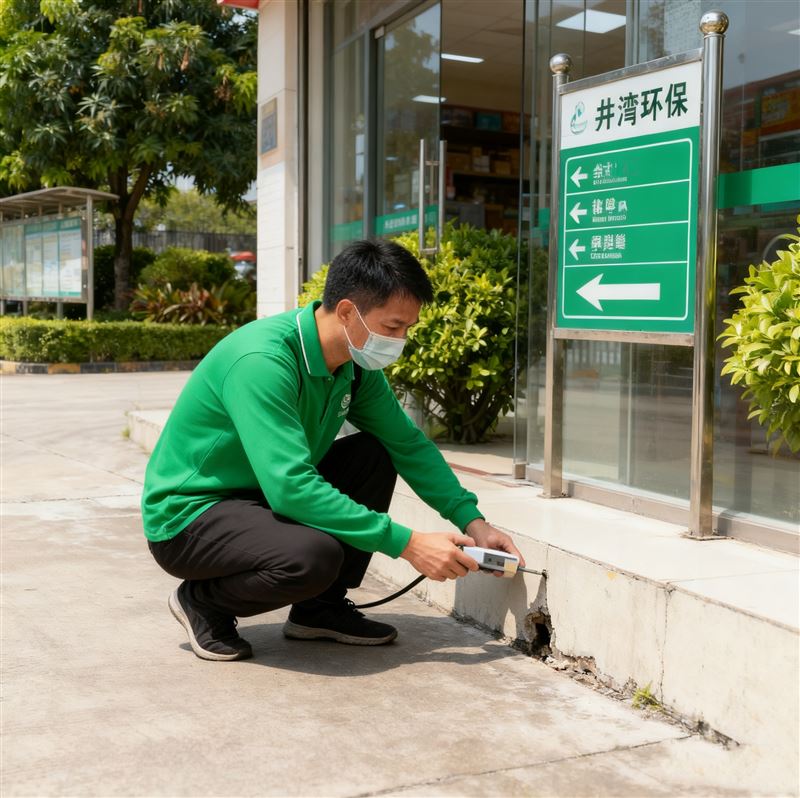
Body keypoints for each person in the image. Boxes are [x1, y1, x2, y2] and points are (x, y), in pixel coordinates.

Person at [142, 239, 524, 661]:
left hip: (260, 496)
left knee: (376, 451)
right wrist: (408, 543)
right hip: (191, 514)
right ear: (346, 312)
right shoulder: (263, 361)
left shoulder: (353, 365)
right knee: (312, 558)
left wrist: (473, 522)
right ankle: (203, 603)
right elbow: (290, 488)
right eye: (392, 327)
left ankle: (318, 610)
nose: (400, 340)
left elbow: (407, 444)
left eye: (407, 329)